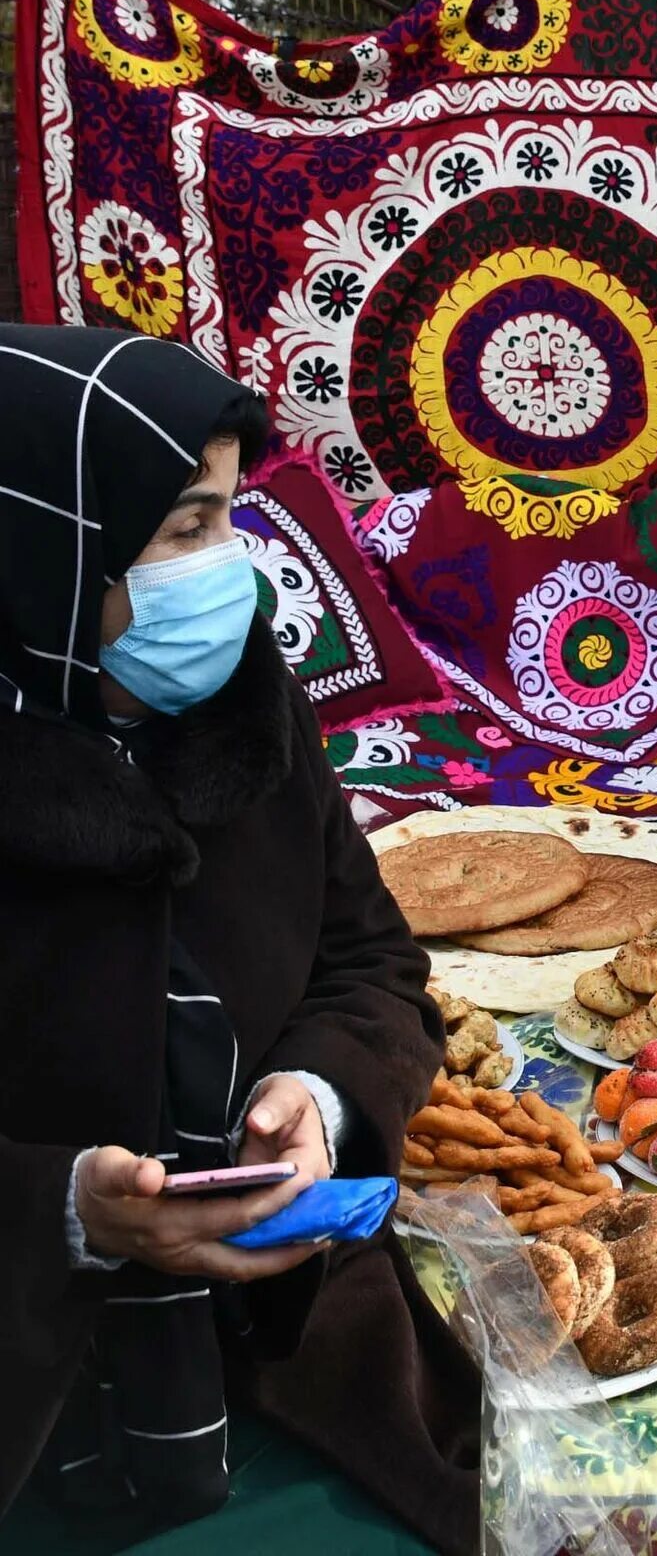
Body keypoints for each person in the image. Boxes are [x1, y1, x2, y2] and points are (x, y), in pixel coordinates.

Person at [0, 326, 478, 1551]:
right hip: (42, 1397)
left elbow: (370, 961)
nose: (230, 572)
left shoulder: (243, 713)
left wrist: (317, 1094)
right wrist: (67, 1210)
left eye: (226, 517)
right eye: (180, 532)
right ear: (42, 551)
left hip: (309, 1356)